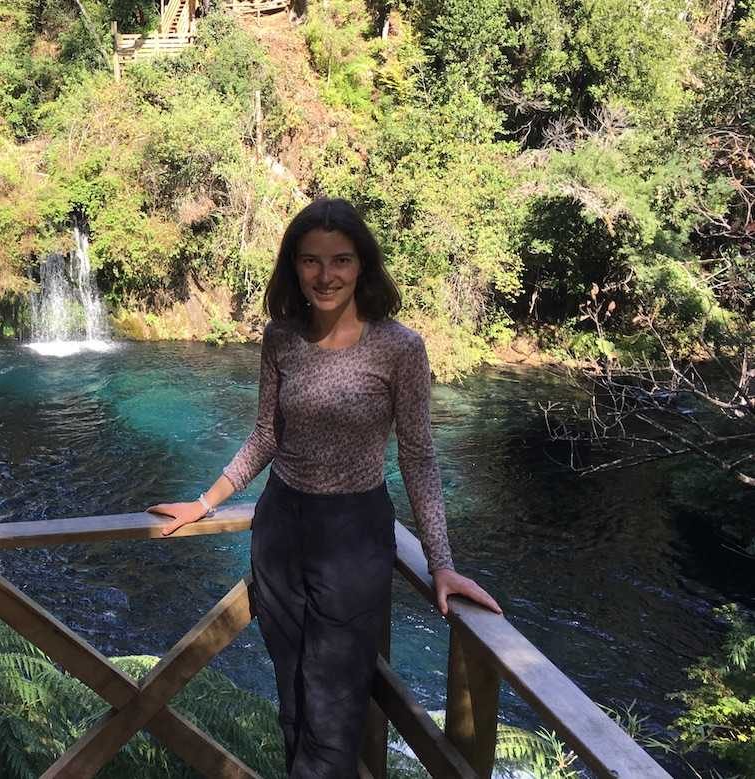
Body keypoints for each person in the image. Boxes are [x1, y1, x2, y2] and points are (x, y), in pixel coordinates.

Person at [146, 198, 501, 778]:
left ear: (363, 266)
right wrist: (206, 501)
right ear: (294, 267)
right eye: (311, 261)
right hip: (281, 528)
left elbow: (418, 456)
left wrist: (441, 562)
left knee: (334, 713)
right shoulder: (281, 338)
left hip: (355, 538)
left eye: (341, 260)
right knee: (293, 700)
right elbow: (266, 436)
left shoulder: (399, 348)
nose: (326, 275)